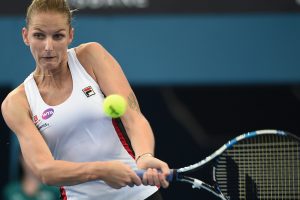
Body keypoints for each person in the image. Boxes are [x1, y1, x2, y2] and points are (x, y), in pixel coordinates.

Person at [1, 0, 170, 199]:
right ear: (25, 36)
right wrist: (100, 171)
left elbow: (134, 119)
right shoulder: (16, 103)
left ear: (70, 35)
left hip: (140, 195)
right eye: (39, 35)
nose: (48, 46)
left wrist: (144, 156)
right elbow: (45, 170)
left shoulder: (91, 57)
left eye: (58, 36)